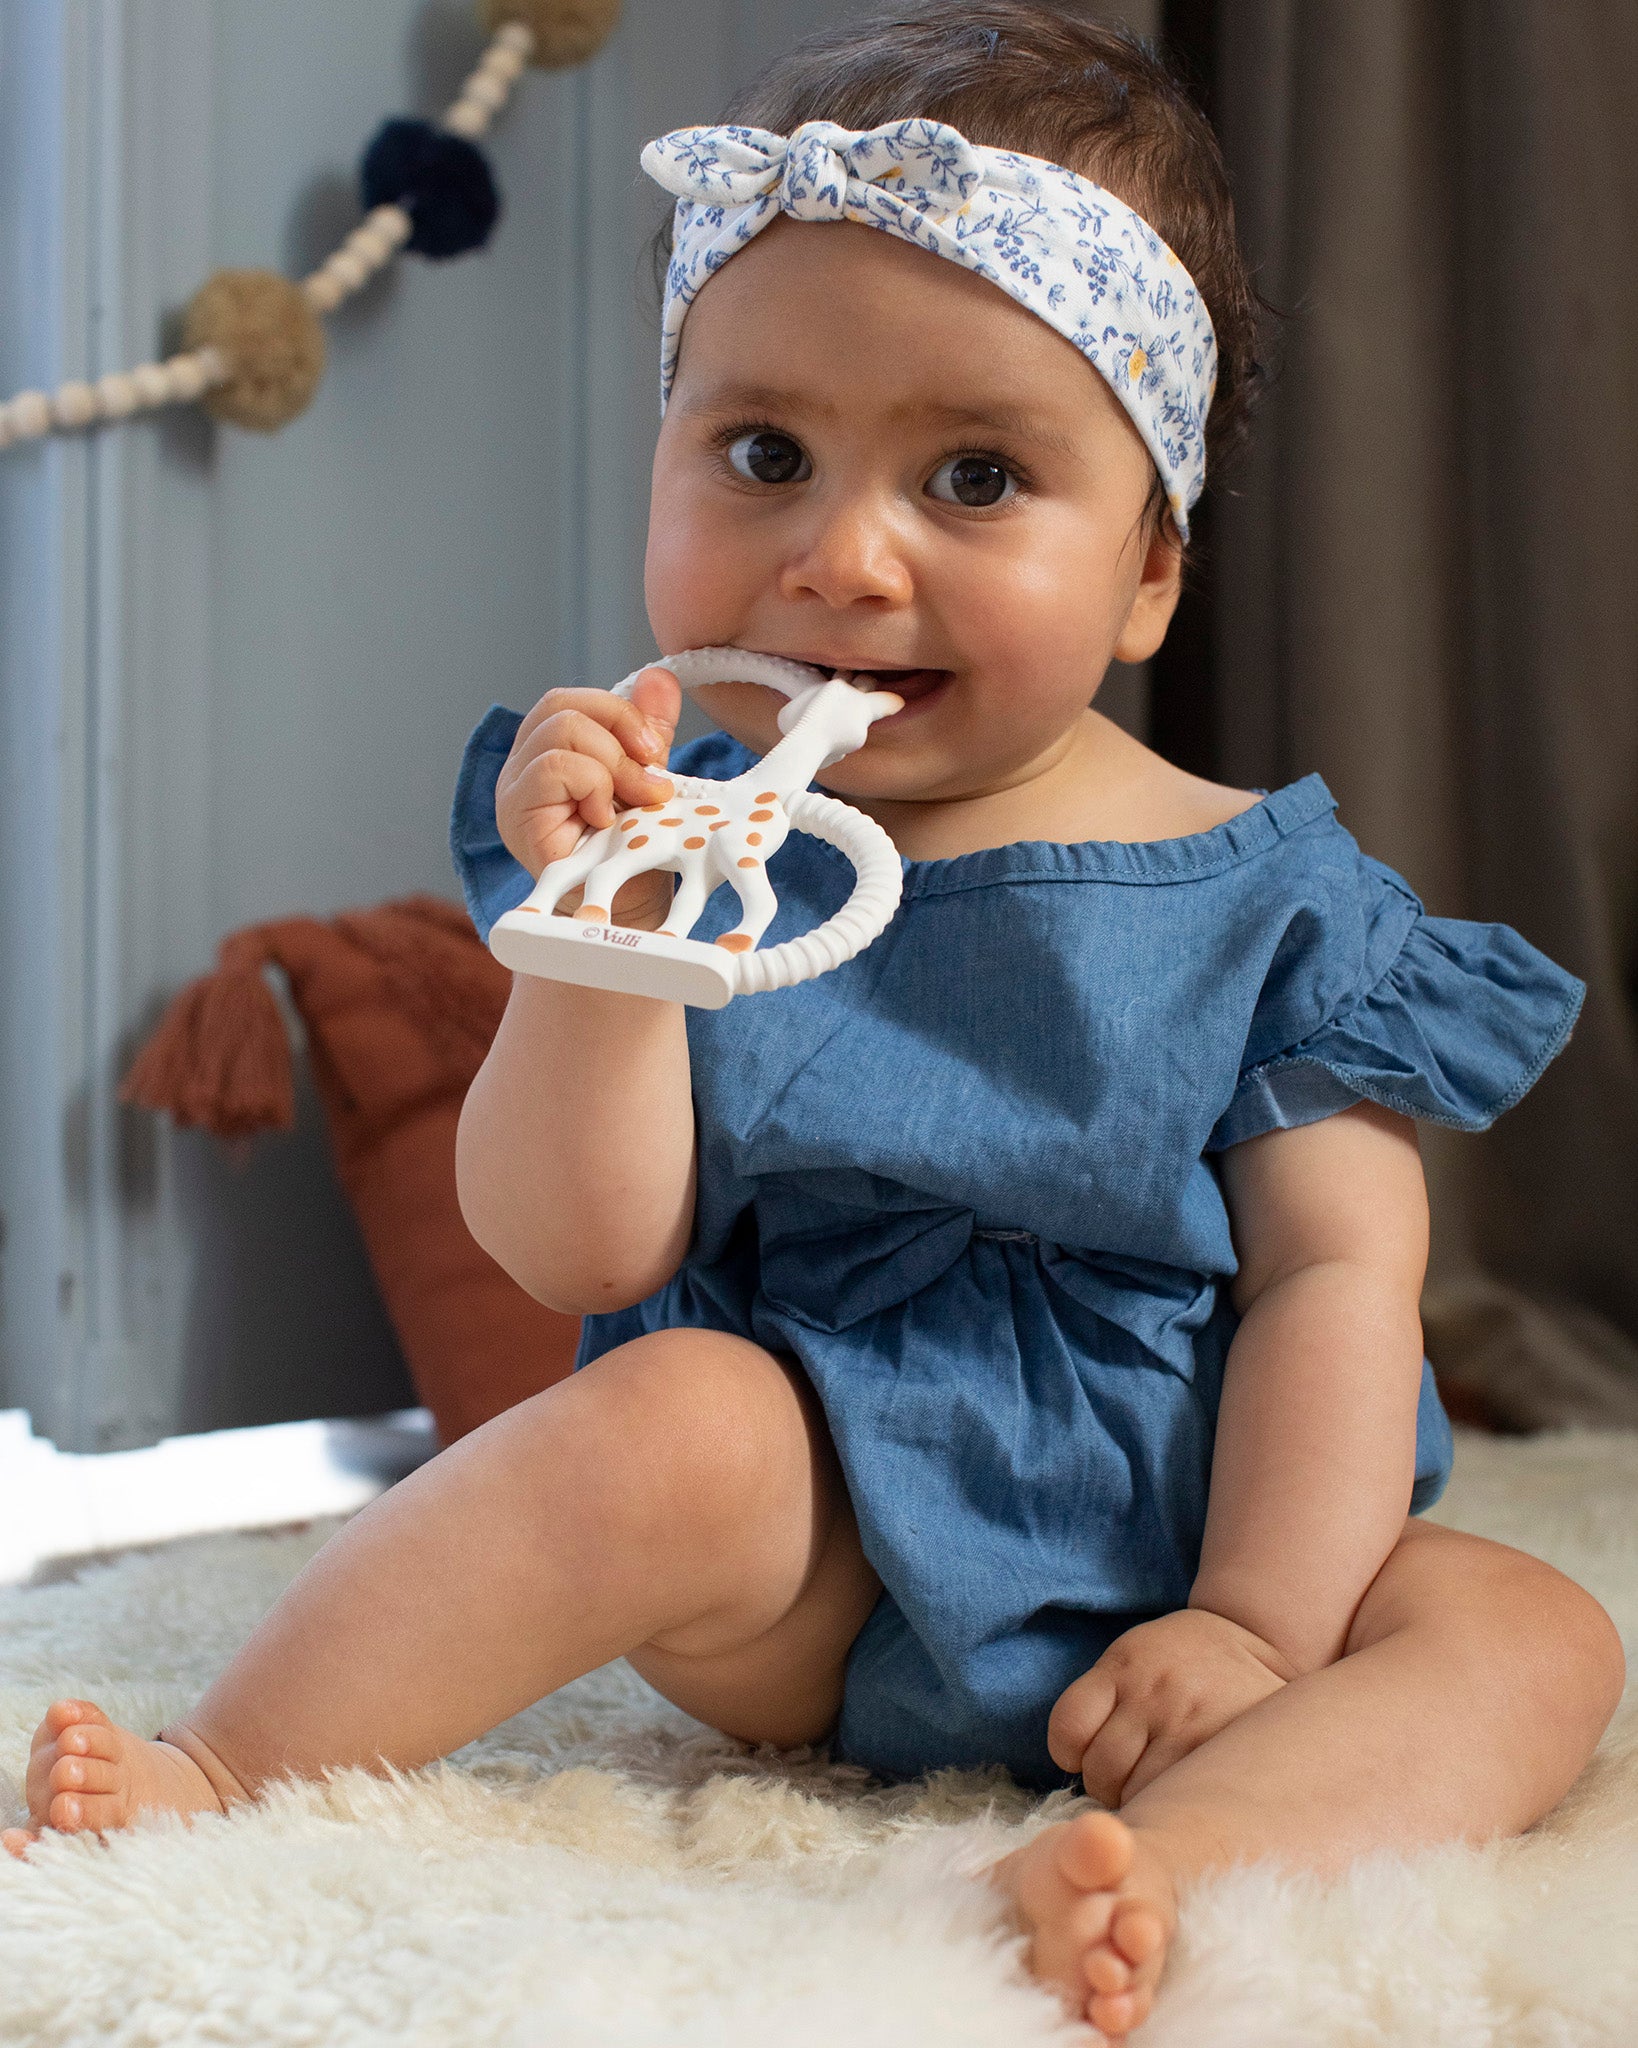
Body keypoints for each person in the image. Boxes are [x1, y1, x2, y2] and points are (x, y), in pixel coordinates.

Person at [7, 8, 1623, 2036]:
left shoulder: (1272, 898)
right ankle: (228, 1761)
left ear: (1146, 572)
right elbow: (580, 1253)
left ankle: (1172, 1861)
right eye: (763, 456)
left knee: (1531, 1635)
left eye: (975, 478)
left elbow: (1332, 1283)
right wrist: (604, 938)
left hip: (1204, 1519)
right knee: (669, 1416)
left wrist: (1252, 1621)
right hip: (819, 1550)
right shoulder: (679, 839)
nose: (843, 562)